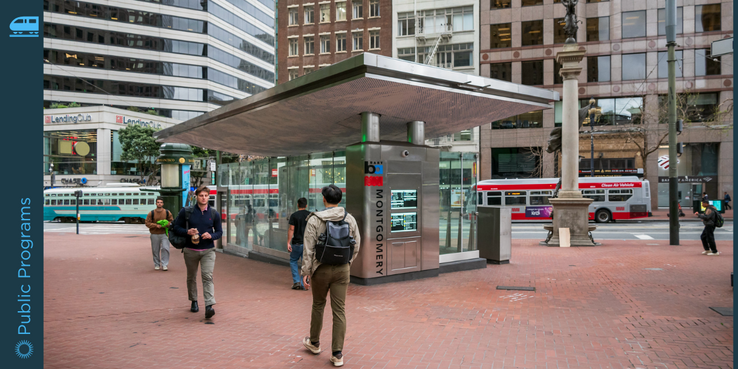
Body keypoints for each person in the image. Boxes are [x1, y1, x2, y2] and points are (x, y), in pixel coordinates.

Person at [301, 185, 361, 367]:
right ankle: (337, 354)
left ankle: (314, 343)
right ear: (340, 200)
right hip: (342, 269)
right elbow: (356, 245)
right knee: (339, 310)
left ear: (324, 199)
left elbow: (309, 249)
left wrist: (306, 271)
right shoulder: (349, 219)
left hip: (321, 269)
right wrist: (347, 262)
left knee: (318, 305)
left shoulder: (314, 219)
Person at [172, 186, 223, 318]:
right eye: (201, 195)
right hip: (190, 250)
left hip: (208, 250)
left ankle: (209, 306)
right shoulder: (187, 212)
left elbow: (219, 232)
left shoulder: (213, 213)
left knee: (207, 276)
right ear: (196, 197)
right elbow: (176, 227)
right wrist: (187, 232)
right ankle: (194, 301)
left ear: (208, 196)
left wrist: (211, 236)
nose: (204, 198)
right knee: (191, 277)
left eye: (206, 195)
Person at [145, 197, 174, 271]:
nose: (159, 203)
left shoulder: (167, 212)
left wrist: (166, 224)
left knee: (165, 248)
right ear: (156, 203)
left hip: (164, 233)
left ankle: (165, 264)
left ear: (163, 203)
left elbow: (172, 222)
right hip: (154, 233)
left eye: (161, 202)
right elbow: (147, 223)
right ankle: (156, 264)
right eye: (158, 202)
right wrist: (155, 225)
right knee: (155, 250)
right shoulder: (151, 213)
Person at [288, 198, 310, 290]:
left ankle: (296, 281)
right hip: (307, 244)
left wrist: (288, 242)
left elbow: (291, 229)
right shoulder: (310, 215)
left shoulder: (294, 216)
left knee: (293, 261)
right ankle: (303, 283)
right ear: (306, 205)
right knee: (306, 263)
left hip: (296, 243)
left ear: (297, 205)